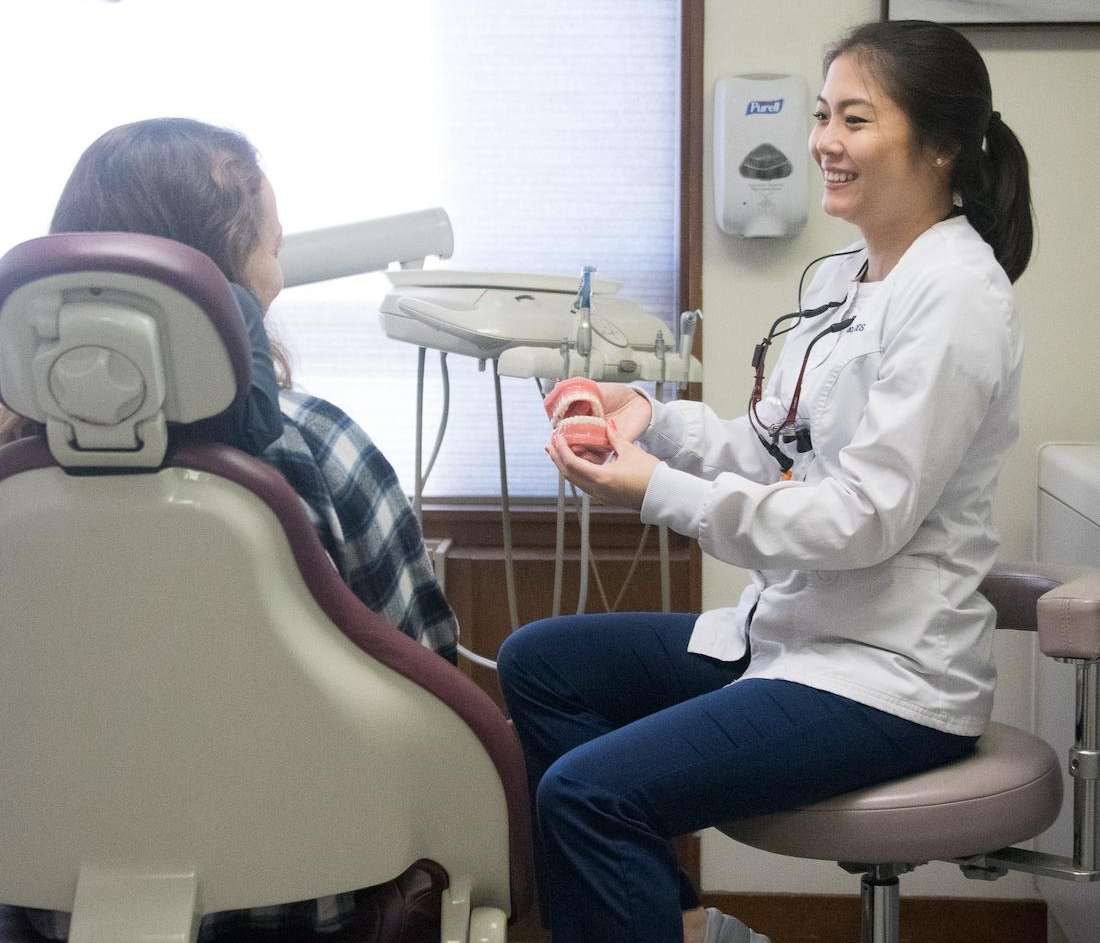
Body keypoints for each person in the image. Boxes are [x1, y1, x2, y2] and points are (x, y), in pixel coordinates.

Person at [498, 19, 1031, 943]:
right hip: (795, 633)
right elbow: (773, 444)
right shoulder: (843, 279)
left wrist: (655, 486)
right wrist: (647, 415)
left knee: (587, 795)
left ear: (940, 145)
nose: (823, 138)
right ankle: (684, 926)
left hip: (888, 676)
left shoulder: (956, 299)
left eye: (855, 118)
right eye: (823, 114)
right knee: (540, 663)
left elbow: (861, 520)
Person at [0, 118, 459, 940]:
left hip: (43, 908)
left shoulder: (11, 490)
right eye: (272, 246)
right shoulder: (326, 454)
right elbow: (431, 690)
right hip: (316, 898)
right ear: (233, 294)